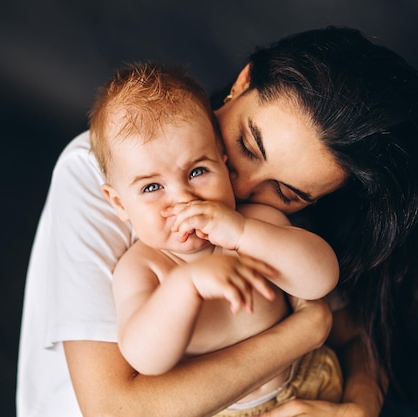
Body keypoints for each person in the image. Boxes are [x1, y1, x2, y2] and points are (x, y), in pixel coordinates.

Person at [17, 26, 418, 417]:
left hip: (309, 388)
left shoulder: (255, 221)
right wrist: (305, 329)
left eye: (288, 191)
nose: (239, 186)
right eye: (247, 145)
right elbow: (127, 393)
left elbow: (345, 315)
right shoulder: (116, 175)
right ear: (242, 83)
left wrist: (358, 408)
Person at [89, 62, 343, 415]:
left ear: (223, 164)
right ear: (119, 203)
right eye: (152, 187)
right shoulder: (144, 268)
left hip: (307, 384)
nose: (183, 198)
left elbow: (320, 278)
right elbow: (145, 358)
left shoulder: (253, 222)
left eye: (197, 171)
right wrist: (186, 285)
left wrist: (240, 233)